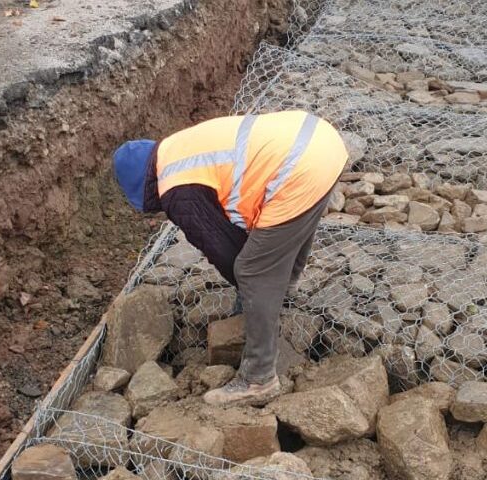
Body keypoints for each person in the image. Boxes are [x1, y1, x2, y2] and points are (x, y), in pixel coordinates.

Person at [113, 110, 347, 406]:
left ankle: (258, 378)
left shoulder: (178, 190)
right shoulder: (175, 149)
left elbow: (224, 249)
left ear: (138, 187)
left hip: (300, 166)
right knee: (285, 227)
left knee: (251, 270)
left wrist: (251, 292)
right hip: (322, 141)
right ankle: (283, 287)